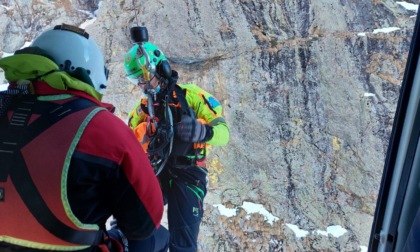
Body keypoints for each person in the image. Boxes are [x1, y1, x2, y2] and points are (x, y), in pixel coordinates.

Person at [0, 24, 169, 252]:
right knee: (158, 236)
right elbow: (145, 222)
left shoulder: (5, 105)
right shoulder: (103, 127)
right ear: (91, 73)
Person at [124, 39, 230, 251]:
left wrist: (204, 132)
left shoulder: (191, 96)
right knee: (130, 220)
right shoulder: (143, 109)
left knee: (183, 243)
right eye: (137, 81)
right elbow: (126, 144)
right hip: (157, 170)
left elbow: (224, 133)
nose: (143, 86)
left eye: (145, 79)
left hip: (189, 173)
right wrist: (141, 134)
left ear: (161, 69)